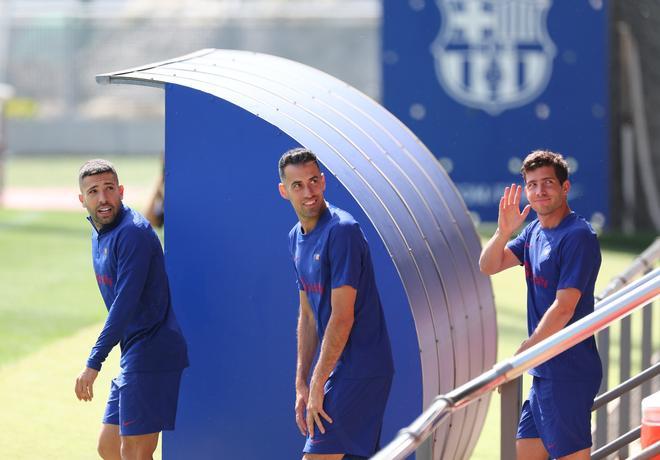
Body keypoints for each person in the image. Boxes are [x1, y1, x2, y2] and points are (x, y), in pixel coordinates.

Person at [479, 150, 602, 460]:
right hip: (543, 369)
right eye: (532, 185)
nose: (539, 191)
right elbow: (489, 265)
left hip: (567, 370)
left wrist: (526, 352)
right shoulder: (534, 231)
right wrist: (503, 231)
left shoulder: (578, 237)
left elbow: (565, 307)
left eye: (547, 182)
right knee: (527, 452)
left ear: (565, 188)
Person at [278, 147, 394, 460]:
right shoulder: (294, 237)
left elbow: (342, 317)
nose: (309, 191)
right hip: (338, 371)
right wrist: (301, 383)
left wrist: (317, 385)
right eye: (298, 185)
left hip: (359, 369)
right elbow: (308, 314)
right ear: (284, 191)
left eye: (314, 181)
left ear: (324, 181)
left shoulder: (342, 231)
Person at [75, 159, 189, 460]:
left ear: (121, 191)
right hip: (134, 352)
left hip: (153, 351)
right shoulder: (99, 232)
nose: (103, 198)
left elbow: (123, 304)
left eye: (109, 189)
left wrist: (93, 362)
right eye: (94, 191)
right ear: (82, 199)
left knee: (135, 453)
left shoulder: (133, 233)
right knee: (109, 447)